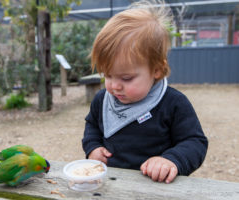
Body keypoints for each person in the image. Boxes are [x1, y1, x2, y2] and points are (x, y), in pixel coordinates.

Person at [82, 0, 208, 184]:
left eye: (126, 78)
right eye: (107, 75)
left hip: (156, 187)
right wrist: (93, 147)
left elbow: (195, 142)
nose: (114, 86)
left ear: (156, 70)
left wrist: (171, 160)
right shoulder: (102, 99)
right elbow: (92, 125)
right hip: (111, 183)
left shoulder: (173, 103)